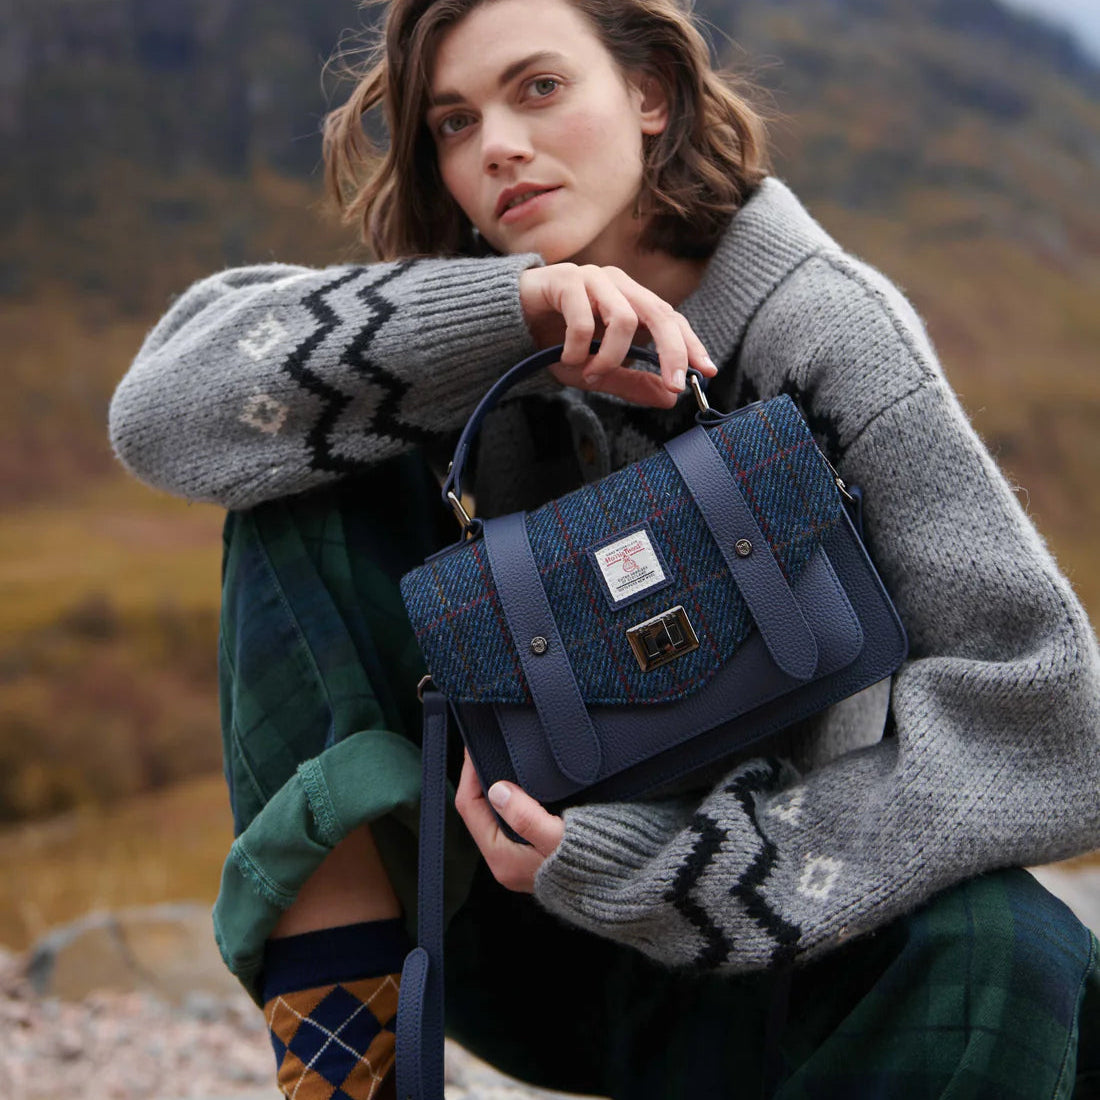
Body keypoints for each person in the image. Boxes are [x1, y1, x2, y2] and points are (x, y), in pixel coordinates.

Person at [109, 0, 1100, 1095]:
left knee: (1008, 945)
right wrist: (512, 312)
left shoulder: (824, 328)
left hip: (780, 959)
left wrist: (664, 870)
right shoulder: (491, 327)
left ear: (648, 95)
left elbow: (1047, 718)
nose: (495, 145)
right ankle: (350, 1070)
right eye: (450, 122)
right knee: (299, 473)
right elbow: (162, 414)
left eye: (537, 88)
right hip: (515, 914)